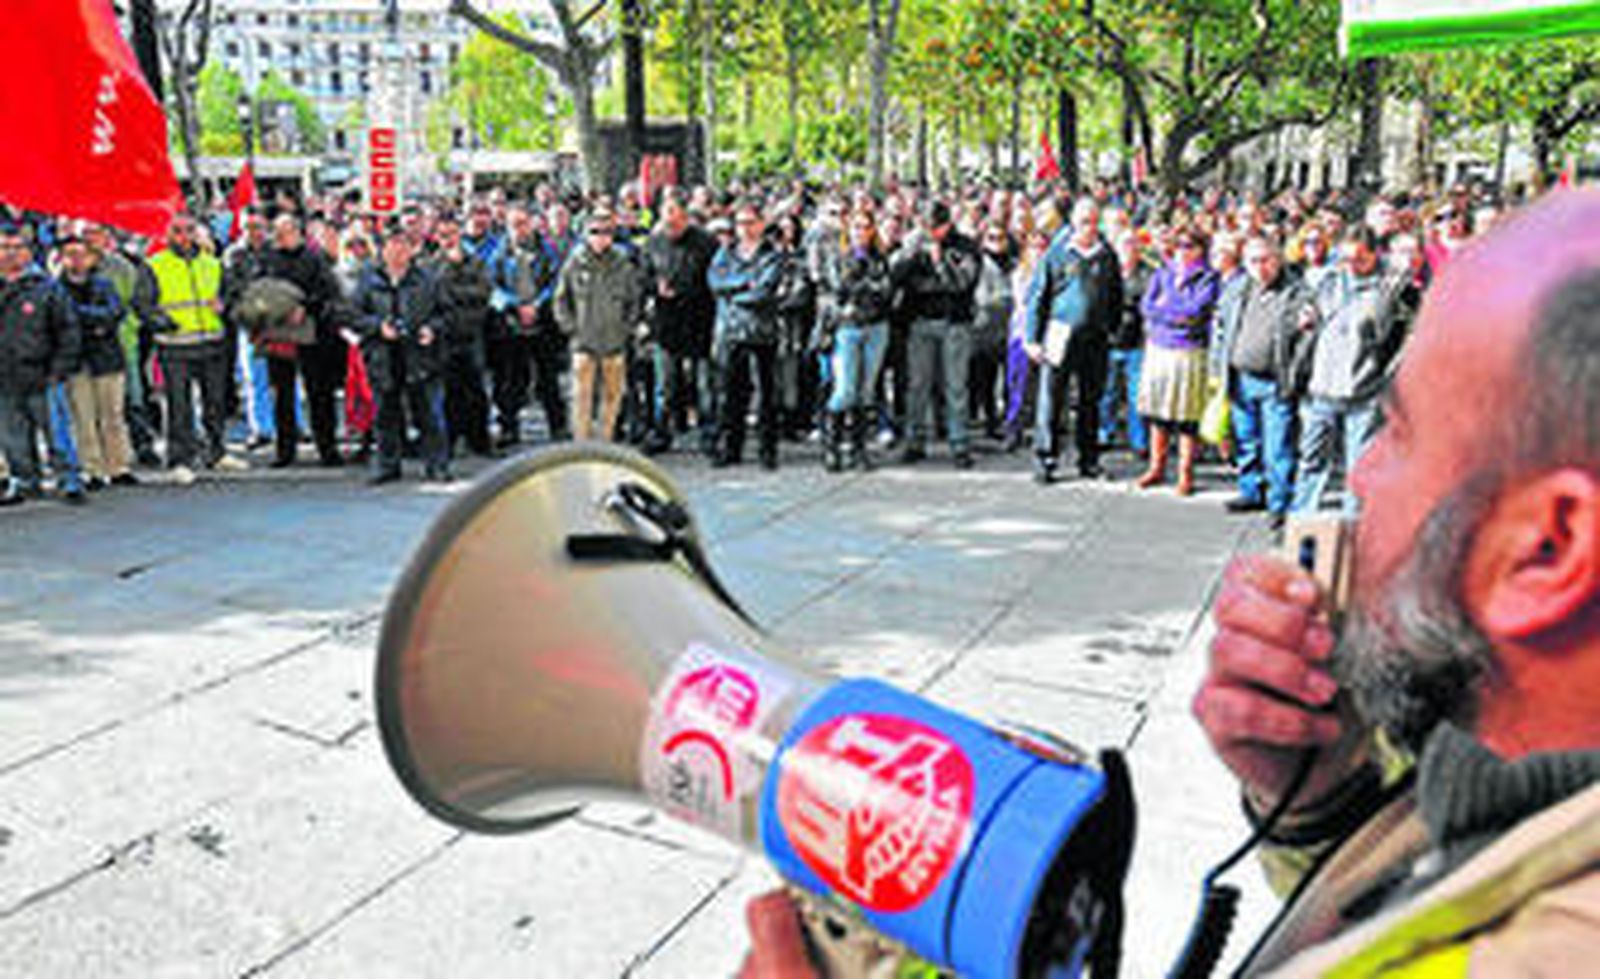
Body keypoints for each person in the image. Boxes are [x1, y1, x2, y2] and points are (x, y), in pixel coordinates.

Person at [741, 189, 1600, 979]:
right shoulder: (1513, 773)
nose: (1362, 474)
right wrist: (1326, 796)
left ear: (1549, 547)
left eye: (1399, 431)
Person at [1290, 226, 1416, 516]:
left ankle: (1351, 527)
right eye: (1345, 259)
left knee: (1357, 466)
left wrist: (1387, 375)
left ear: (1374, 255)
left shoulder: (1392, 288)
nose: (1351, 266)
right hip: (1322, 386)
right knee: (1311, 459)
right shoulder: (1328, 282)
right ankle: (1302, 517)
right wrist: (1305, 319)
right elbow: (1309, 312)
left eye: (1359, 259)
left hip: (1364, 390)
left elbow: (1411, 332)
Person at [1025, 197, 1123, 484]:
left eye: (1094, 222)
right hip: (1059, 333)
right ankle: (1045, 459)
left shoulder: (1107, 255)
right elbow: (1038, 297)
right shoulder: (1056, 254)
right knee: (1051, 399)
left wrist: (1111, 329)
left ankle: (1089, 459)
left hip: (1095, 337)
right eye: (1084, 222)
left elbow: (1116, 295)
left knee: (1090, 400)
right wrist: (1032, 338)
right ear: (1072, 223)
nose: (1089, 228)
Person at [148, 213, 245, 482]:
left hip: (211, 342)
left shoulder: (213, 264)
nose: (184, 236)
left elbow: (231, 294)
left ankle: (216, 452)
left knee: (215, 403)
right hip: (175, 345)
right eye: (177, 231)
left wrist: (224, 305)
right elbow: (143, 304)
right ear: (168, 235)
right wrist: (165, 324)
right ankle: (180, 459)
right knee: (180, 406)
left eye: (189, 230)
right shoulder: (155, 265)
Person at [1220, 236, 1306, 528]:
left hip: (1275, 380)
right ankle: (1251, 490)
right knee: (1247, 441)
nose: (1261, 267)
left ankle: (1279, 501)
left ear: (1278, 259)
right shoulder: (1237, 288)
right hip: (1241, 377)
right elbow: (1220, 327)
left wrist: (1295, 374)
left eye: (1266, 259)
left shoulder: (1296, 291)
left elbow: (1306, 337)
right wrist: (1217, 369)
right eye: (1254, 261)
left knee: (1278, 447)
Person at [353, 231, 449, 484]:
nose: (397, 252)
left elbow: (446, 313)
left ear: (412, 250)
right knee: (385, 414)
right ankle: (387, 465)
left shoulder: (428, 280)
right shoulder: (368, 280)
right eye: (392, 246)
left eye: (403, 246)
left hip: (419, 355)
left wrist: (432, 329)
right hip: (383, 356)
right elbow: (353, 316)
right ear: (383, 251)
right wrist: (377, 327)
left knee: (428, 414)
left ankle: (437, 465)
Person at [895, 200, 981, 469]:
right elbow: (900, 277)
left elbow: (962, 283)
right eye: (925, 226)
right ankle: (914, 441)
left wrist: (939, 263)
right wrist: (910, 256)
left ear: (947, 224)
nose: (930, 232)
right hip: (920, 322)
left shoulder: (965, 246)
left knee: (956, 386)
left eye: (935, 227)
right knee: (917, 386)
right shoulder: (913, 242)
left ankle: (959, 444)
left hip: (954, 324)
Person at [0, 223, 80, 506]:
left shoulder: (47, 288)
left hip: (43, 373)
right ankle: (24, 481)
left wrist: (59, 369)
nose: (10, 254)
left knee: (57, 432)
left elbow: (68, 332)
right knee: (13, 437)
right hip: (5, 377)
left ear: (29, 252)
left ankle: (69, 480)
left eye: (16, 248)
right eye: (4, 248)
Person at [1135, 228, 1220, 496]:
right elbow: (1146, 306)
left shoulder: (1208, 277)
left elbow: (1196, 311)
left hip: (1189, 351)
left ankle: (1186, 473)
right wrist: (1172, 315)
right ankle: (1156, 467)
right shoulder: (1163, 272)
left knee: (1187, 417)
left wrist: (1164, 312)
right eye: (1180, 245)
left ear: (1201, 248)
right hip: (1159, 349)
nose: (1184, 251)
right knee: (1157, 413)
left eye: (1190, 245)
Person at [260, 213, 348, 468]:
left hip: (313, 334)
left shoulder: (315, 258)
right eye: (276, 231)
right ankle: (285, 451)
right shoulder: (268, 259)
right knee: (282, 395)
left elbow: (328, 292)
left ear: (297, 232)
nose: (279, 236)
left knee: (320, 393)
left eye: (284, 231)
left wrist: (306, 307)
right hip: (278, 334)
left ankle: (328, 449)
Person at [554, 208, 645, 443]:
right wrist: (571, 329)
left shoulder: (622, 263)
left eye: (606, 232)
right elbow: (561, 299)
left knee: (613, 396)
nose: (600, 237)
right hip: (583, 343)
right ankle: (582, 444)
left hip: (614, 342)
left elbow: (634, 300)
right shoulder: (575, 262)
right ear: (586, 234)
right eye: (595, 231)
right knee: (581, 397)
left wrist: (626, 329)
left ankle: (605, 441)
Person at [707, 201, 784, 469]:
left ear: (761, 224)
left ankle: (767, 449)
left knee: (766, 394)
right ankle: (731, 447)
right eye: (740, 223)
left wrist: (734, 293)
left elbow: (764, 291)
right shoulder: (725, 253)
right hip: (731, 331)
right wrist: (742, 284)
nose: (745, 228)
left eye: (751, 222)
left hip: (762, 332)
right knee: (730, 393)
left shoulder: (771, 255)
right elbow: (715, 283)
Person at [816, 208, 894, 472]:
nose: (861, 232)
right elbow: (839, 289)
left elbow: (885, 291)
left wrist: (862, 287)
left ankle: (858, 449)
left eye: (866, 227)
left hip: (876, 326)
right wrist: (862, 286)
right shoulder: (838, 257)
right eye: (856, 227)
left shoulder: (880, 258)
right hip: (847, 327)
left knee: (865, 391)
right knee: (845, 390)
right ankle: (832, 444)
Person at [640, 193, 718, 455]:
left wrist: (687, 290)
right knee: (666, 384)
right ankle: (662, 432)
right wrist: (655, 287)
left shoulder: (706, 242)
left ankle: (709, 433)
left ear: (685, 217)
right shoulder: (653, 243)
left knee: (704, 383)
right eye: (666, 218)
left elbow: (715, 279)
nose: (670, 225)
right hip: (666, 322)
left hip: (699, 319)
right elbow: (643, 276)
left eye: (675, 219)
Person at [56, 233, 135, 490]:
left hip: (107, 358)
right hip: (75, 361)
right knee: (83, 418)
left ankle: (119, 466)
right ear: (61, 259)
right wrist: (94, 323)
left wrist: (80, 317)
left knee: (112, 415)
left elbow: (114, 313)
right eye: (71, 255)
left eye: (81, 255)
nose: (77, 260)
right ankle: (92, 469)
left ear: (91, 258)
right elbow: (59, 323)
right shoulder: (54, 288)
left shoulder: (104, 284)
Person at [428, 214, 495, 459]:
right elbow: (435, 294)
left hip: (471, 332)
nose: (448, 240)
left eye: (452, 234)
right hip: (445, 336)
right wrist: (453, 274)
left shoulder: (475, 262)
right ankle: (452, 440)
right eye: (443, 235)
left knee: (476, 390)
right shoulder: (431, 264)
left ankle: (480, 441)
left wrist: (454, 288)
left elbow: (483, 292)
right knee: (449, 392)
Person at [1098, 229, 1151, 459]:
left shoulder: (1148, 274)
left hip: (1137, 342)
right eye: (1125, 243)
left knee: (1136, 395)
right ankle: (1104, 433)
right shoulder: (1106, 271)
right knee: (1107, 392)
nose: (1129, 248)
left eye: (1133, 243)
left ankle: (1139, 440)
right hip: (1109, 341)